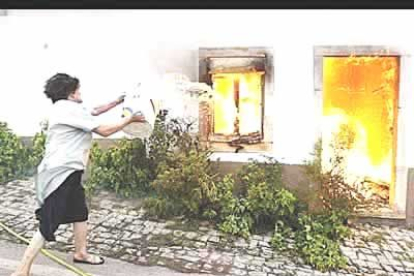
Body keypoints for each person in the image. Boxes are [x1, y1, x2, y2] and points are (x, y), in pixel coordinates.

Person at [10, 73, 146, 276]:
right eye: (78, 90)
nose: (81, 93)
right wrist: (130, 119)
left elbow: (94, 111)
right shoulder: (68, 111)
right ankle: (22, 270)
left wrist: (118, 101)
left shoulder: (68, 108)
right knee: (49, 222)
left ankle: (81, 253)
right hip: (59, 175)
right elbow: (105, 131)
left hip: (70, 172)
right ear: (70, 93)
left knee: (80, 213)